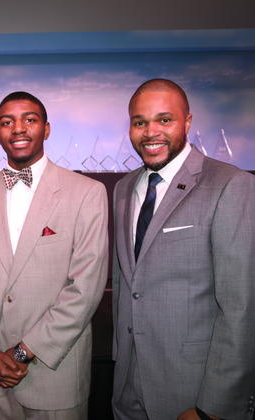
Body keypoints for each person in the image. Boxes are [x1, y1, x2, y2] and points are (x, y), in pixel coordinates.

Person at [0, 91, 109, 420]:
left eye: (30, 119)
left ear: (47, 129)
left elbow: (85, 289)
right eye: (6, 122)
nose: (18, 129)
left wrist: (24, 352)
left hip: (55, 374)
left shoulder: (87, 192)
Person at [112, 78, 255, 419]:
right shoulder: (123, 188)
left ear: (187, 122)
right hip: (128, 386)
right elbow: (125, 284)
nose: (151, 132)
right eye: (139, 122)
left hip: (193, 389)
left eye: (164, 120)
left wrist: (213, 407)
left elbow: (242, 307)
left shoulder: (230, 185)